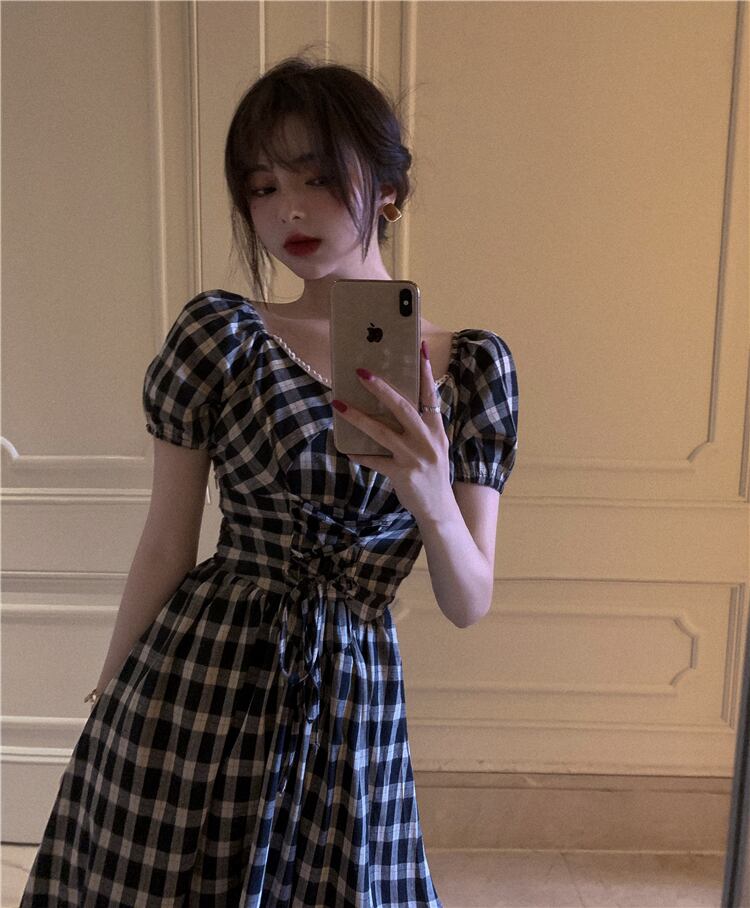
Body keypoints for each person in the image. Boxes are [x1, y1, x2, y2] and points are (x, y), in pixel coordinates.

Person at [20, 53, 518, 907]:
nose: (287, 208)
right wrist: (111, 694)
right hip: (201, 673)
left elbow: (468, 601)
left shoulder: (469, 369)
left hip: (353, 695)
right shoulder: (223, 336)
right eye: (261, 186)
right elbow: (166, 541)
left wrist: (433, 495)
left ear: (389, 190)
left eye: (317, 177)